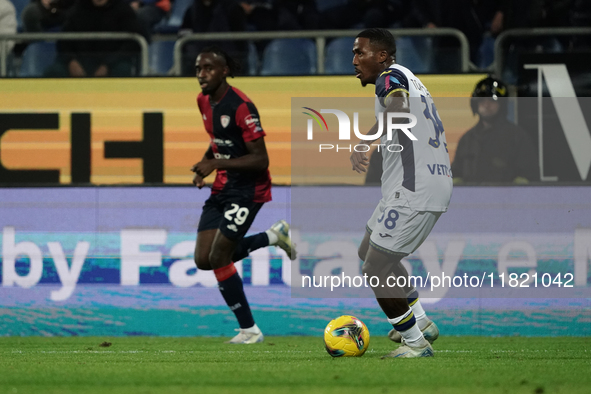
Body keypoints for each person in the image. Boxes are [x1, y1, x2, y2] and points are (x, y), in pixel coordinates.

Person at [350, 28, 453, 358]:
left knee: (374, 268)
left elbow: (397, 107)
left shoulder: (389, 78)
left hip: (414, 187)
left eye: (359, 53)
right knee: (369, 250)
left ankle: (414, 343)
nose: (354, 61)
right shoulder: (407, 76)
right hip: (416, 184)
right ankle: (420, 322)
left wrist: (369, 139)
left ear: (381, 56)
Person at [191, 46, 296, 344]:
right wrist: (205, 167)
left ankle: (249, 331)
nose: (202, 74)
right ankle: (273, 237)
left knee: (220, 255)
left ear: (224, 71)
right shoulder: (203, 101)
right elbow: (218, 141)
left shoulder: (241, 106)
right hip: (223, 186)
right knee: (203, 259)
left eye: (209, 68)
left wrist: (215, 163)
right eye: (198, 69)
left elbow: (260, 160)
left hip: (250, 190)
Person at [451, 76, 539, 184]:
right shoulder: (467, 139)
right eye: (482, 100)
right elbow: (456, 174)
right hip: (471, 199)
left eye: (492, 100)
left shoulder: (517, 137)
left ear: (502, 104)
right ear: (475, 104)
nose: (486, 104)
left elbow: (529, 176)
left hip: (505, 199)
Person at [44, 0, 143, 77]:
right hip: (81, 60)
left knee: (123, 70)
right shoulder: (77, 9)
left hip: (114, 61)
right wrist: (71, 61)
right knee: (54, 71)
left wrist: (108, 64)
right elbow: (63, 41)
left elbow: (133, 43)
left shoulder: (124, 10)